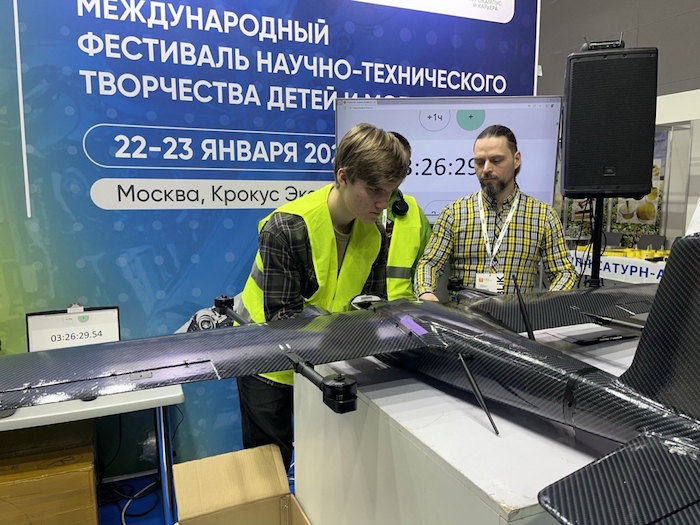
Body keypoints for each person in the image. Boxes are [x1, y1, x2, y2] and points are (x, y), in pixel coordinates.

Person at [235, 123, 408, 470]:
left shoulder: (375, 233)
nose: (382, 203)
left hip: (326, 362)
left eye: (390, 192)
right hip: (264, 359)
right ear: (343, 177)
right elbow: (284, 323)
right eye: (374, 190)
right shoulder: (286, 228)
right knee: (269, 468)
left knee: (327, 470)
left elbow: (371, 310)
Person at [415, 124, 576, 300]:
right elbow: (429, 263)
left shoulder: (543, 216)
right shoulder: (453, 214)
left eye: (496, 160)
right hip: (464, 315)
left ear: (516, 159)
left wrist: (544, 305)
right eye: (479, 162)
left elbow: (564, 272)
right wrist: (426, 292)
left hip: (516, 315)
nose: (486, 169)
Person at [384, 132, 432, 300]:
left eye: (402, 167)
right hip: (355, 308)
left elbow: (425, 266)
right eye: (391, 164)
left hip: (402, 308)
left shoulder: (414, 212)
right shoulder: (355, 205)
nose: (396, 174)